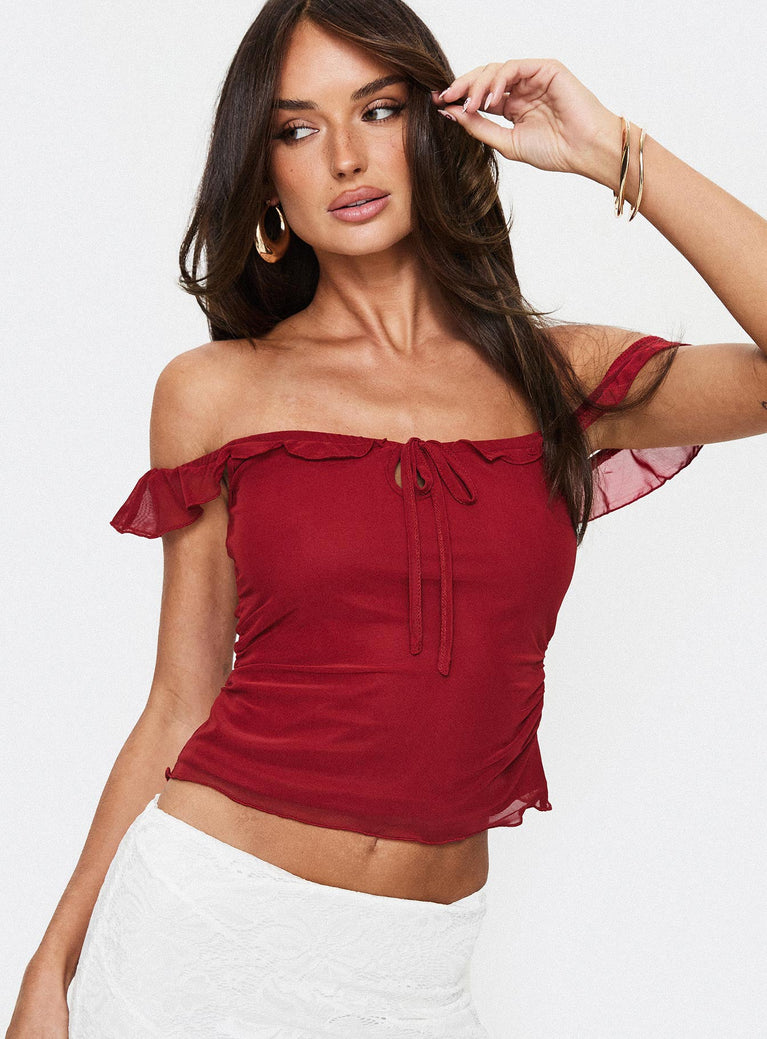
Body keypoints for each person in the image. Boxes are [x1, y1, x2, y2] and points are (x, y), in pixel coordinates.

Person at [7, 0, 767, 1036]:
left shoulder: (555, 375)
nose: (346, 158)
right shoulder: (214, 392)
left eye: (378, 110)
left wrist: (609, 151)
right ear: (264, 177)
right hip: (200, 932)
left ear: (433, 128)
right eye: (298, 128)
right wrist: (51, 964)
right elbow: (180, 698)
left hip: (418, 973)